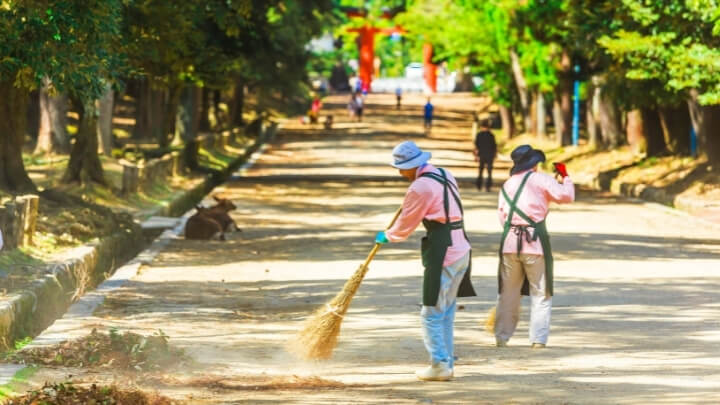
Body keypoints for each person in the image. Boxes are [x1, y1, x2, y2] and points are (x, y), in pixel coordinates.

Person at [375, 141, 476, 381]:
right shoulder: (444, 173)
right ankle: (446, 362)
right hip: (461, 246)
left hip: (444, 250)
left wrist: (387, 236)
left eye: (402, 168)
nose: (400, 173)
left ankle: (439, 364)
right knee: (446, 310)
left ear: (413, 165)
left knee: (430, 312)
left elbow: (406, 223)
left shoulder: (420, 187)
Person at [494, 145, 574, 349]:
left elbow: (502, 216)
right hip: (535, 243)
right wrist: (565, 177)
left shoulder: (508, 184)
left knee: (508, 292)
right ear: (534, 164)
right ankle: (538, 339)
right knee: (541, 292)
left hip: (510, 243)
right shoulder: (543, 179)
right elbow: (566, 197)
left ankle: (502, 336)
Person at [474, 119, 497, 192]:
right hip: (490, 155)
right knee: (489, 172)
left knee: (480, 171)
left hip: (481, 155)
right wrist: (495, 154)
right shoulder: (491, 135)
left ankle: (479, 186)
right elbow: (494, 146)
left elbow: (476, 146)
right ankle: (488, 186)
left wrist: (476, 156)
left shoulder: (479, 135)